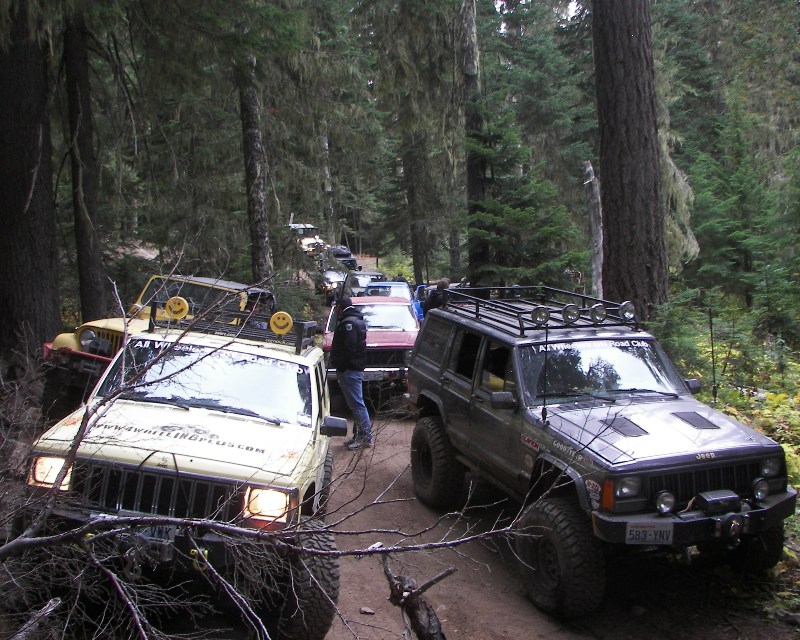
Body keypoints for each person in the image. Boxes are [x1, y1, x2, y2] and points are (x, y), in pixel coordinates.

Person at [329, 296, 372, 450]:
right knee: (355, 405)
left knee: (357, 405)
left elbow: (349, 348)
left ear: (340, 307)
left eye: (337, 307)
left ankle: (365, 437)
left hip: (350, 369)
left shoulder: (349, 324)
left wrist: (340, 364)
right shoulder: (354, 320)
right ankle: (358, 435)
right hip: (352, 368)